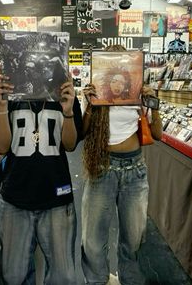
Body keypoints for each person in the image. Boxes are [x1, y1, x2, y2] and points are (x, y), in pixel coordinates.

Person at [0, 70, 83, 285]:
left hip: (57, 196)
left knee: (63, 277)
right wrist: (2, 108)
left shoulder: (63, 92)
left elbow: (70, 144)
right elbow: (1, 146)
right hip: (15, 197)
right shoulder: (10, 92)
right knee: (14, 276)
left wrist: (67, 111)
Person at [81, 44, 162, 285]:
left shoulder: (137, 93)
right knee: (93, 239)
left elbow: (156, 134)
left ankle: (131, 280)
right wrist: (89, 105)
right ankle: (96, 280)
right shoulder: (96, 92)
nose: (116, 84)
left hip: (134, 170)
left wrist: (154, 104)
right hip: (102, 168)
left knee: (134, 238)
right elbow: (83, 133)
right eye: (112, 79)